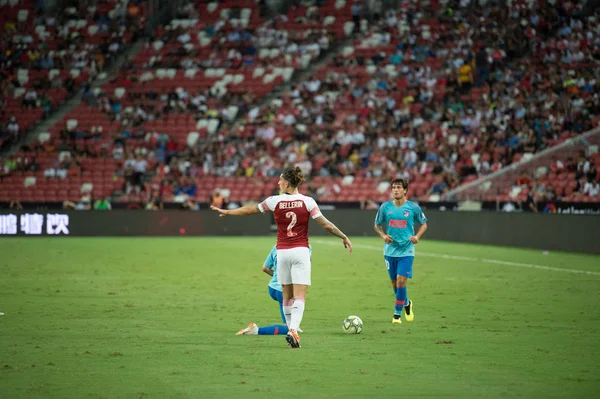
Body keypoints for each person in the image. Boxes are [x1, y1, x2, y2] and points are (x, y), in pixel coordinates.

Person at [211, 166, 352, 348]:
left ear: (286, 183)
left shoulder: (274, 201)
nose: (278, 183)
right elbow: (327, 226)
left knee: (286, 295)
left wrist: (228, 212)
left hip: (282, 252)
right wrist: (343, 236)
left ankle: (291, 329)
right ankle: (293, 330)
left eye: (279, 180)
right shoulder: (308, 202)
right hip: (301, 250)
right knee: (299, 295)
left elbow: (249, 210)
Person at [374, 178, 428, 324]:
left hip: (406, 251)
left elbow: (423, 224)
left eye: (398, 187)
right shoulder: (385, 208)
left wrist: (417, 236)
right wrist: (383, 235)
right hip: (390, 251)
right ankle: (406, 304)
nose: (396, 190)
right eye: (393, 188)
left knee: (401, 281)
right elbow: (377, 225)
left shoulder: (413, 208)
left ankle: (397, 315)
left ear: (405, 190)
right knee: (395, 285)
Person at [236, 244, 311, 336]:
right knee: (292, 328)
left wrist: (279, 278)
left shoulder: (277, 246)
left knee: (289, 324)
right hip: (284, 290)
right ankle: (256, 330)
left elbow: (265, 268)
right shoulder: (305, 247)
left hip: (273, 288)